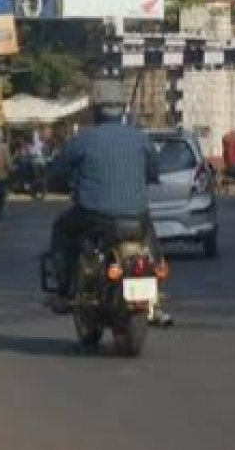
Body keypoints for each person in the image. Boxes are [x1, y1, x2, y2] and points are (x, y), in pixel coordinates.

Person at [48, 99, 161, 303]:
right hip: (136, 216)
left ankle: (63, 288)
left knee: (61, 229)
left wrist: (55, 181)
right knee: (150, 237)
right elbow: (154, 171)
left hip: (94, 216)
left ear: (96, 115)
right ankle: (157, 276)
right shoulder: (140, 138)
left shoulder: (83, 139)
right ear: (122, 115)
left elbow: (59, 169)